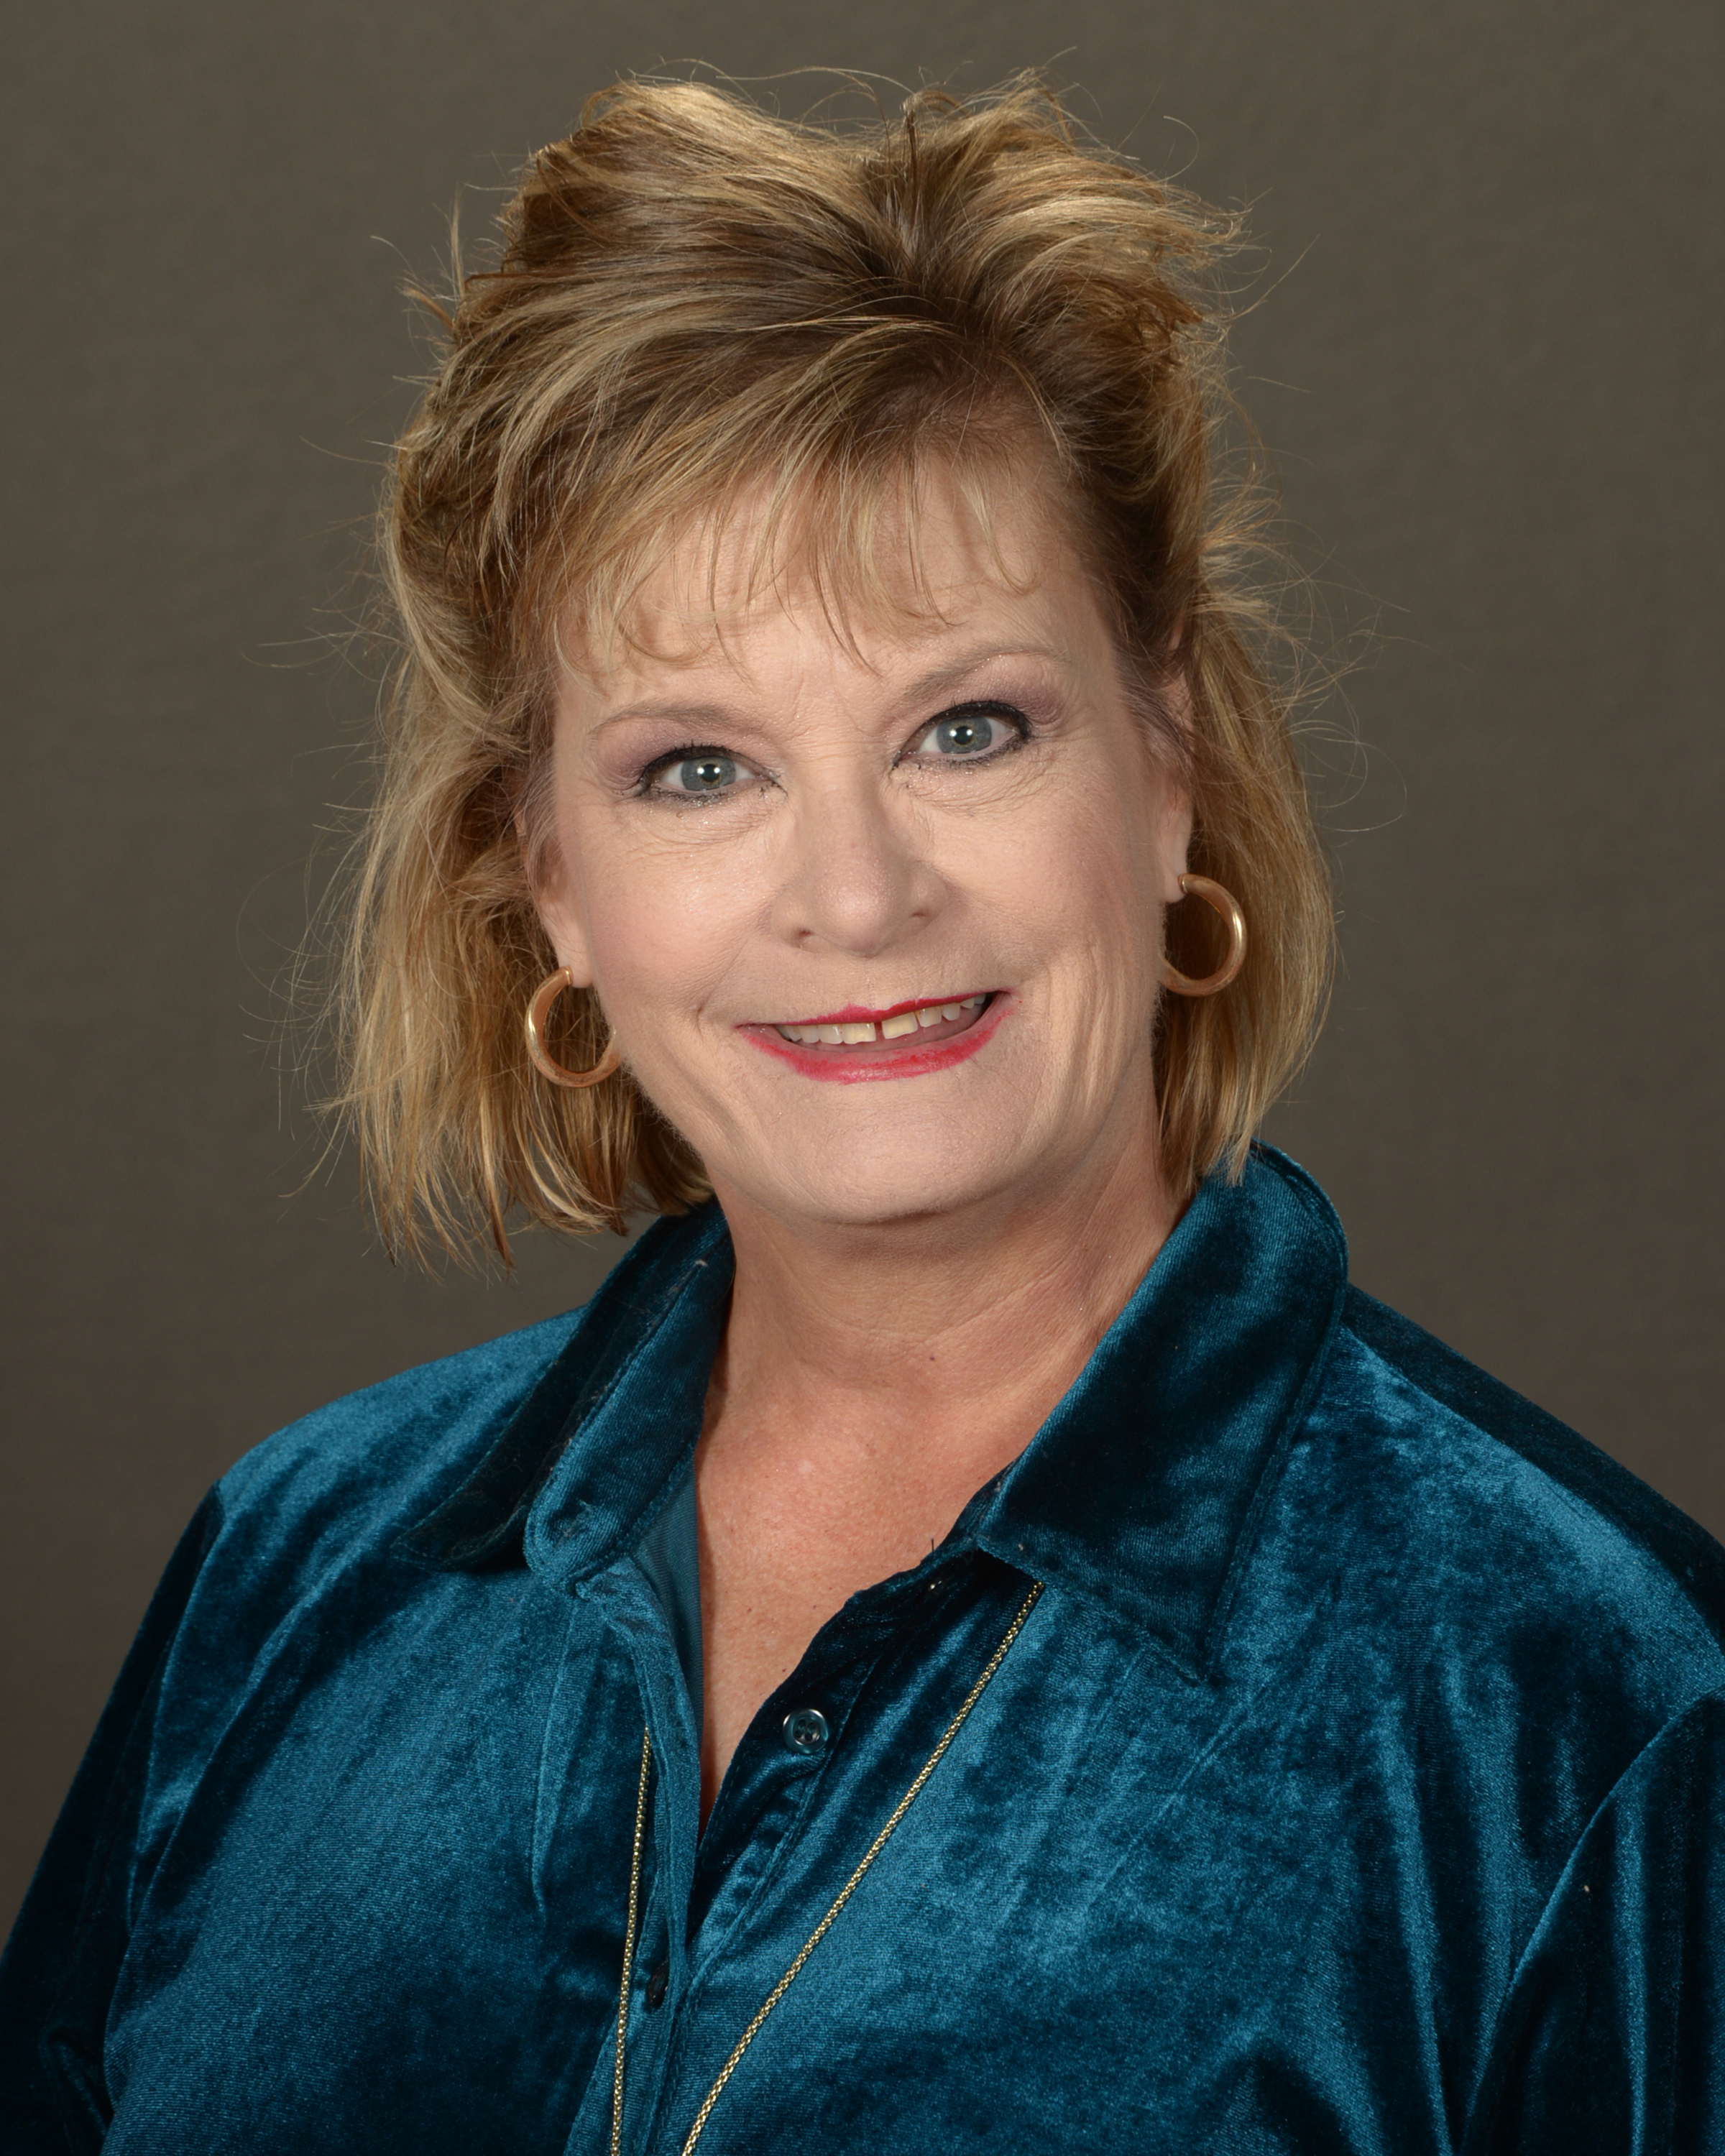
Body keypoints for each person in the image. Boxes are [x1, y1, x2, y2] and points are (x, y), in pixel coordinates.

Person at [2, 75, 1721, 2155]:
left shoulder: (1588, 1714)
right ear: (548, 877)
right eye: (697, 769)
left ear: (1167, 763)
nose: (856, 894)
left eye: (966, 728)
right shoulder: (291, 1569)